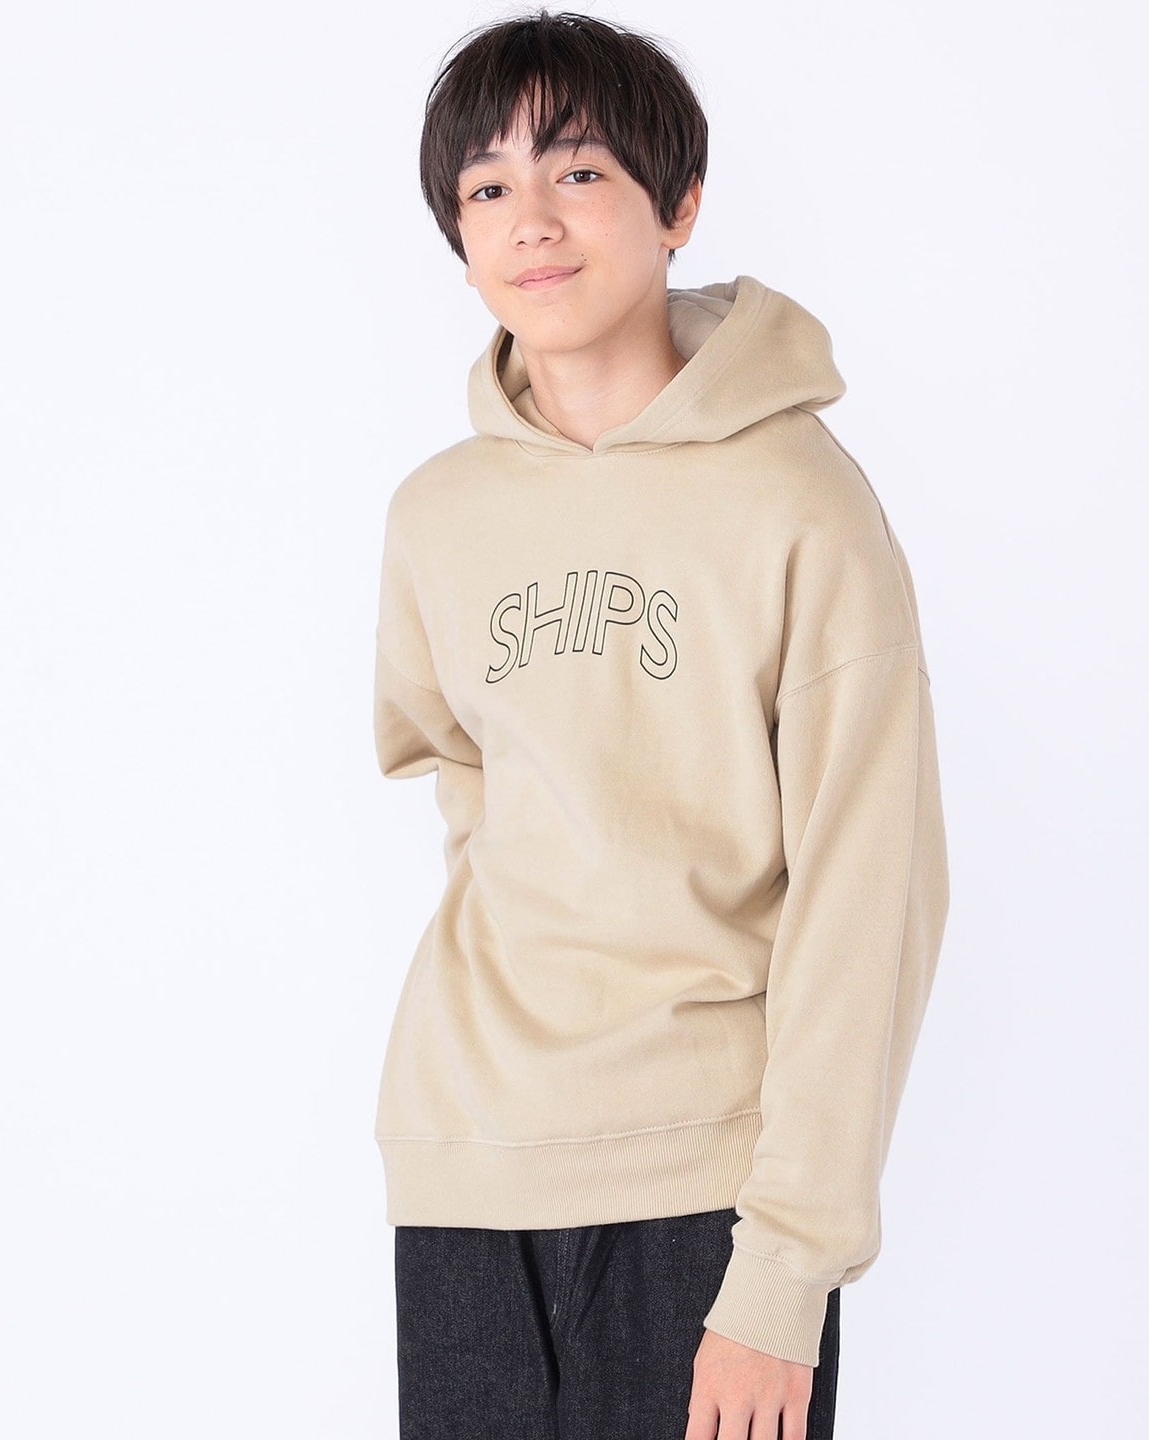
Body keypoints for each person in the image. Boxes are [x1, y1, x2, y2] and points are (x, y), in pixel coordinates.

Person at [369, 9, 950, 1439]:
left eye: (579, 171)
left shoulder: (800, 503)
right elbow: (461, 772)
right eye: (487, 186)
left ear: (678, 204)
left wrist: (788, 1272)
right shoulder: (438, 514)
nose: (532, 219)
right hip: (465, 1172)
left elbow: (869, 897)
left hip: (706, 1193)